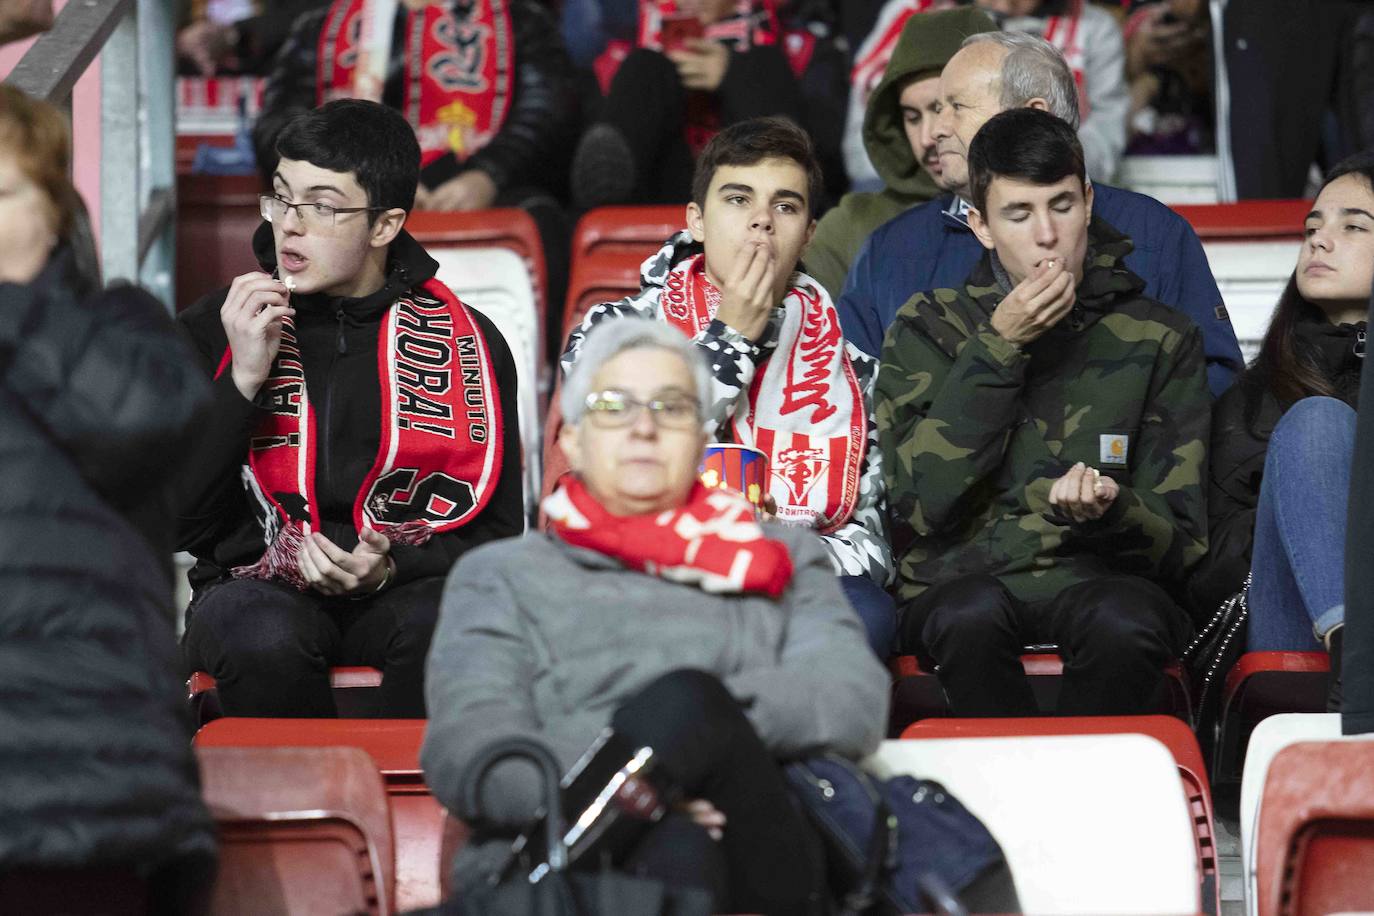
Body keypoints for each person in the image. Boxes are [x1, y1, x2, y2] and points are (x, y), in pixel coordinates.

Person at [423, 318, 891, 914]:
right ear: (572, 439)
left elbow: (849, 701)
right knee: (676, 838)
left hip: (759, 845)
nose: (644, 427)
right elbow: (472, 750)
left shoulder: (780, 556)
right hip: (563, 850)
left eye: (671, 408)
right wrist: (641, 790)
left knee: (690, 701)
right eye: (614, 406)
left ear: (700, 439)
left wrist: (697, 732)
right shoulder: (501, 575)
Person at [177, 99, 524, 718]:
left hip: (402, 589)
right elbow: (177, 522)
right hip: (250, 587)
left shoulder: (465, 341)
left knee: (456, 622)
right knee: (259, 633)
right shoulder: (220, 325)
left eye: (322, 207)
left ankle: (414, 813)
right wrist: (244, 382)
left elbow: (499, 537)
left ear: (385, 226)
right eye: (281, 198)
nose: (290, 225)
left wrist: (390, 568)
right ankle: (302, 811)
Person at [876, 108, 1208, 717]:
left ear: (1087, 201)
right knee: (966, 617)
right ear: (981, 226)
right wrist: (1000, 347)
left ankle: (1079, 790)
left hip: (1103, 579)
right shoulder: (929, 326)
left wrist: (1114, 508)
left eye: (1061, 206)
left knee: (1125, 621)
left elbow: (1184, 545)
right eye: (1019, 214)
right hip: (960, 582)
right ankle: (1004, 798)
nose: (1047, 235)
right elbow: (919, 502)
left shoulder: (1158, 336)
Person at [561, 116, 898, 655]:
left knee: (868, 616)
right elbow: (611, 462)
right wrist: (732, 337)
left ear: (810, 233)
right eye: (738, 200)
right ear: (696, 220)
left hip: (799, 573)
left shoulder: (852, 364)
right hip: (654, 564)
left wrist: (782, 546)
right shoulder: (614, 332)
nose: (762, 222)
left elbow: (876, 547)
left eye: (785, 206)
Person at [0, 85, 216, 907]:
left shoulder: (124, 328)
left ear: (57, 214)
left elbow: (145, 422)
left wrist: (10, 307)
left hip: (86, 784)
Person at [839, 29, 1243, 397]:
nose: (934, 132)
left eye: (955, 108)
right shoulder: (890, 250)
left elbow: (1215, 383)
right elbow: (852, 403)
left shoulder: (1153, 234)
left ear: (1036, 114)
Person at [251, 0, 579, 352]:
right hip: (357, 195)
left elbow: (549, 111)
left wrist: (487, 175)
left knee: (544, 217)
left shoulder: (517, 20)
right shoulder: (322, 27)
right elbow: (276, 127)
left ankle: (547, 367)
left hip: (486, 185)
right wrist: (378, 180)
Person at [1189, 153, 1374, 708]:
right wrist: (1305, 508)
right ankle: (1357, 660)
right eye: (1312, 227)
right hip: (1294, 627)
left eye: (1353, 227)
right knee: (1316, 426)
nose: (1319, 241)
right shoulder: (1257, 393)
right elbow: (1209, 560)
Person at [569, 0, 848, 211]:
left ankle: (782, 168)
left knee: (764, 65)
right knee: (644, 67)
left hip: (757, 211)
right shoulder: (617, 59)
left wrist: (736, 76)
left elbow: (832, 168)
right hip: (655, 201)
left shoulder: (804, 52)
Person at [806, 4, 997, 298]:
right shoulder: (852, 228)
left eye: (943, 108)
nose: (926, 138)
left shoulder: (1063, 208)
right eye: (911, 116)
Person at [971, 0, 1129, 184]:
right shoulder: (955, 22)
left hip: (1062, 176)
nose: (1005, 5)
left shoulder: (1094, 27)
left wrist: (1051, 161)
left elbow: (1107, 126)